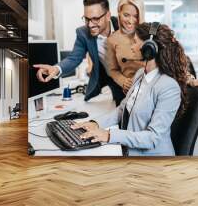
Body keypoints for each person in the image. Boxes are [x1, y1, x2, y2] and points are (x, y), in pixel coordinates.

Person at [72, 22, 189, 156]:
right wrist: (95, 123)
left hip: (153, 161)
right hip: (128, 152)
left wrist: (109, 135)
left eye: (134, 42)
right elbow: (122, 110)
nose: (131, 47)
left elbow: (153, 138)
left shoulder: (168, 87)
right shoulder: (140, 74)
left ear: (149, 48)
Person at [106, 0, 198, 95]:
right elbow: (113, 70)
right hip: (131, 92)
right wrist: (123, 81)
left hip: (156, 88)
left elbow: (170, 61)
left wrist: (190, 80)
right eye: (126, 15)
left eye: (136, 16)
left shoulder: (151, 32)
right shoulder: (112, 40)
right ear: (119, 12)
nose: (131, 21)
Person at [33, 0, 125, 106]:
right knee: (116, 109)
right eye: (87, 19)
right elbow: (74, 58)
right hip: (106, 79)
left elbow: (147, 29)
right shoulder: (83, 33)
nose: (90, 24)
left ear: (108, 16)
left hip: (128, 77)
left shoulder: (123, 24)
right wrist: (56, 69)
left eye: (95, 19)